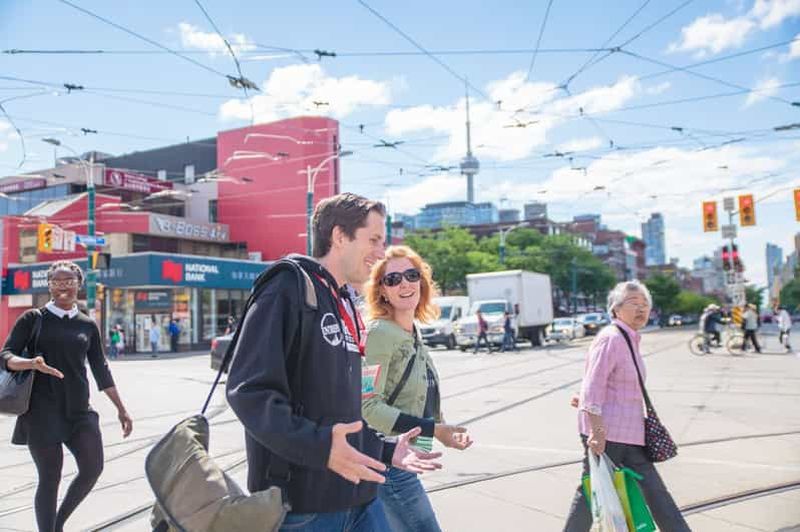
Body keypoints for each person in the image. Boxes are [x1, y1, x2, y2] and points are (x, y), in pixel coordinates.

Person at [225, 193, 442, 532]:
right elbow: (248, 391)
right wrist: (320, 447)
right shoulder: (288, 287)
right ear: (340, 236)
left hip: (361, 498)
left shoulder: (343, 302)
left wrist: (385, 450)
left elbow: (343, 411)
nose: (380, 253)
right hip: (305, 509)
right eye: (373, 240)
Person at [1, 260, 133, 532]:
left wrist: (121, 408)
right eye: (56, 282)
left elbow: (100, 368)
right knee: (50, 478)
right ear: (49, 286)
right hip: (41, 412)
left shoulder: (87, 324)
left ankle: (57, 524)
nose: (63, 286)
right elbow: (6, 355)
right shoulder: (33, 318)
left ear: (79, 284)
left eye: (69, 281)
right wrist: (31, 363)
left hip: (79, 411)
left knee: (92, 468)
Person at [564, 280, 690, 532]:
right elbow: (593, 385)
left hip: (630, 433)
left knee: (655, 492)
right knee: (592, 492)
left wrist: (585, 399)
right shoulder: (611, 338)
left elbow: (608, 383)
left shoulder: (628, 338)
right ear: (616, 308)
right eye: (633, 303)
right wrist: (597, 431)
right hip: (608, 434)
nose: (641, 308)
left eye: (645, 304)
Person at [362, 245, 473, 532]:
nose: (405, 284)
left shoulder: (411, 332)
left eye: (411, 275)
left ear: (421, 282)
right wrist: (433, 429)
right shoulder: (380, 333)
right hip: (389, 463)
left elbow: (422, 391)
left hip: (407, 459)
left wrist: (443, 431)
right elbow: (368, 407)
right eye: (393, 279)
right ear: (382, 291)